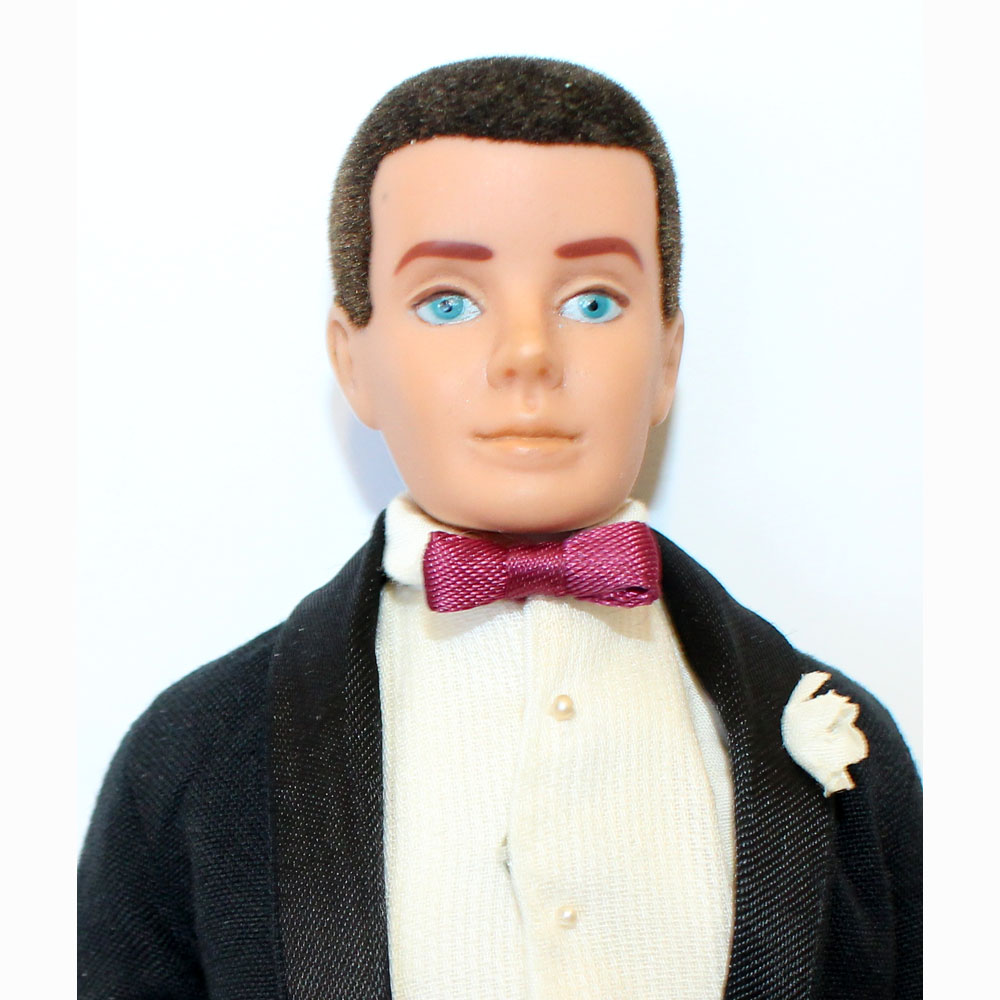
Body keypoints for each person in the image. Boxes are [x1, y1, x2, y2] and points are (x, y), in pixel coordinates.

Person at [78, 56, 921, 1000]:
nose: (527, 353)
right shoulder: (196, 759)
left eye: (593, 301)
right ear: (353, 361)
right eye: (448, 302)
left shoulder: (847, 748)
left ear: (668, 355)